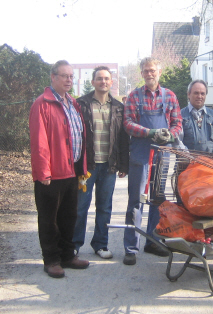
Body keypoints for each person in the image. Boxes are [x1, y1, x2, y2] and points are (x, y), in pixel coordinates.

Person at [29, 60, 89, 278]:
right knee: (49, 219)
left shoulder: (72, 103)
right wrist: (42, 171)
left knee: (68, 216)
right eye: (64, 76)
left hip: (71, 170)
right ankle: (52, 260)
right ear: (52, 77)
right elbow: (39, 141)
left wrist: (81, 166)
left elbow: (78, 136)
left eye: (71, 76)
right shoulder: (42, 103)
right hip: (51, 173)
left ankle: (67, 255)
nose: (69, 80)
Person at [123, 57, 182, 265]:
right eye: (146, 71)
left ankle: (154, 241)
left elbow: (178, 124)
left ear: (159, 72)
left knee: (158, 201)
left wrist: (170, 135)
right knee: (136, 201)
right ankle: (131, 247)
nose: (150, 74)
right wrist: (150, 132)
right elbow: (128, 124)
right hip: (140, 155)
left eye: (153, 70)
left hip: (162, 155)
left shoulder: (170, 96)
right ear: (141, 73)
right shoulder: (134, 96)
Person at [72, 66, 129, 259]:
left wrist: (123, 165)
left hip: (109, 166)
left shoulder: (119, 108)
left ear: (111, 82)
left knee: (105, 207)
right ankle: (74, 244)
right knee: (81, 207)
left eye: (106, 79)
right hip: (87, 166)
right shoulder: (81, 104)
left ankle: (100, 244)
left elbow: (123, 138)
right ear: (93, 82)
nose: (103, 82)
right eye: (99, 78)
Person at [179, 79, 213, 155]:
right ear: (188, 94)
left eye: (202, 93)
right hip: (187, 164)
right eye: (196, 93)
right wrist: (189, 158)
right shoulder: (179, 116)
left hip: (211, 164)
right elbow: (178, 141)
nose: (199, 96)